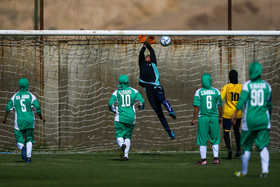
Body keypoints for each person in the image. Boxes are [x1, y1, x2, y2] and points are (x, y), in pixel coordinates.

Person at [232, 62, 272, 178]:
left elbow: (241, 102)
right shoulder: (267, 86)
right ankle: (265, 171)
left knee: (246, 146)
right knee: (263, 146)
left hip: (249, 121)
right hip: (264, 120)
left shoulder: (247, 85)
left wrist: (234, 114)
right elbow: (269, 105)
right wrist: (269, 117)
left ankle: (244, 172)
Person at [138, 36, 176, 140]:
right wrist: (143, 45)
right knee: (159, 113)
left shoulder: (153, 63)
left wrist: (148, 45)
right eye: (146, 56)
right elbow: (141, 54)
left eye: (149, 56)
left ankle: (171, 111)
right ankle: (169, 131)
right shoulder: (142, 64)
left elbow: (152, 52)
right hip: (148, 89)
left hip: (156, 86)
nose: (147, 56)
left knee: (161, 99)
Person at [2, 78, 45, 163]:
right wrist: (41, 117)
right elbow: (37, 108)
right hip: (30, 120)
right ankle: (28, 158)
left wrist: (4, 119)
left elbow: (7, 108)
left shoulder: (15, 96)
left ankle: (22, 148)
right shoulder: (31, 96)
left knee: (19, 139)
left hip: (19, 121)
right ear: (27, 85)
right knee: (29, 139)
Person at [108, 75, 145, 160]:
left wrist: (113, 110)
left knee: (119, 135)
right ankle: (125, 156)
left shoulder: (116, 92)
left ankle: (122, 145)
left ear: (120, 82)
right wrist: (141, 107)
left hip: (120, 117)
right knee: (127, 136)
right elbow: (142, 101)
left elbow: (110, 104)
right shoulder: (134, 91)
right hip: (131, 118)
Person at [191, 73, 223, 165]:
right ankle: (216, 159)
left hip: (203, 118)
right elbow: (220, 106)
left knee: (202, 139)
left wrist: (194, 119)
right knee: (215, 138)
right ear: (210, 80)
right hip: (214, 117)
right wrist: (220, 117)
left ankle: (204, 160)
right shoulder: (217, 91)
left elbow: (196, 106)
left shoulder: (199, 92)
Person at [220, 70, 242, 159]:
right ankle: (238, 150)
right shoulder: (241, 87)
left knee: (226, 132)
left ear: (229, 77)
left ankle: (229, 149)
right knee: (236, 132)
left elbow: (220, 98)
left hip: (228, 114)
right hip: (238, 113)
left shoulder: (226, 87)